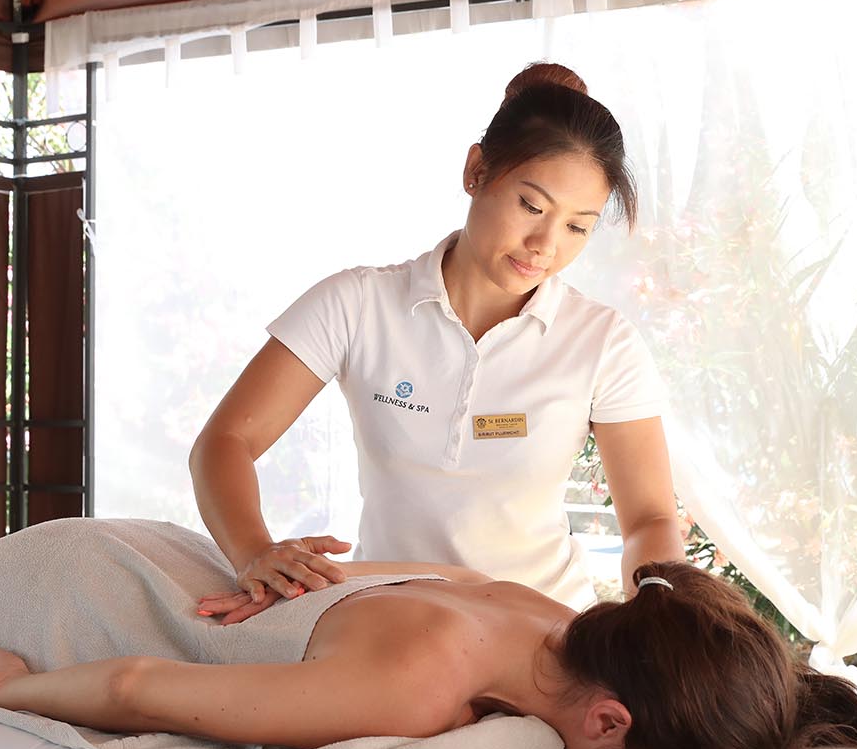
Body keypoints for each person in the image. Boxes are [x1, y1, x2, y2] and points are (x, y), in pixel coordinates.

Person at [0, 525, 857, 749]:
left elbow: (386, 573)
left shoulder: (546, 615)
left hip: (153, 550)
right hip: (75, 602)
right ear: (607, 721)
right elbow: (136, 688)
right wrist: (11, 685)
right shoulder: (417, 689)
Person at [189, 62, 683, 619]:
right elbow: (225, 441)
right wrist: (254, 552)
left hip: (544, 628)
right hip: (389, 622)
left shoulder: (603, 342)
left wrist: (659, 612)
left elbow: (649, 519)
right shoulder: (357, 304)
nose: (545, 244)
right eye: (531, 206)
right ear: (476, 171)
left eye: (577, 227)